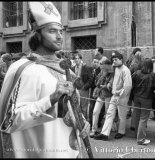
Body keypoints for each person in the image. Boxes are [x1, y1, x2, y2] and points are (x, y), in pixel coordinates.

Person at [0, 2, 90, 158]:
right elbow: (11, 120)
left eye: (60, 31)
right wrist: (52, 98)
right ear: (37, 34)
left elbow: (71, 106)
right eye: (52, 31)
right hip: (40, 151)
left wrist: (81, 120)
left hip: (69, 151)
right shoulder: (23, 69)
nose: (59, 36)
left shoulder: (64, 67)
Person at [94, 51, 132, 141]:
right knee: (109, 114)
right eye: (113, 60)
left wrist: (120, 95)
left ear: (121, 60)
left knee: (121, 115)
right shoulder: (116, 68)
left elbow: (128, 86)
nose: (114, 61)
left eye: (116, 60)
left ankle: (121, 132)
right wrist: (110, 85)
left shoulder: (125, 70)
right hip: (114, 95)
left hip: (121, 97)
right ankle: (104, 134)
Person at [131, 58, 155, 145]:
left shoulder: (137, 73)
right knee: (143, 118)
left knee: (137, 116)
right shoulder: (152, 75)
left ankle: (136, 135)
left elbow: (132, 84)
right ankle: (141, 139)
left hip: (136, 97)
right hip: (147, 98)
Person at [90, 58, 114, 138]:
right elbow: (96, 83)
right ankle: (94, 130)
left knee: (108, 113)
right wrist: (101, 81)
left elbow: (110, 85)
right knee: (95, 112)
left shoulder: (112, 74)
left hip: (108, 96)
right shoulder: (101, 72)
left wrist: (106, 86)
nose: (101, 67)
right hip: (100, 95)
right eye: (101, 65)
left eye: (103, 66)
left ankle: (105, 131)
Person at [71, 52, 93, 120]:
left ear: (80, 59)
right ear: (74, 60)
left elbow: (90, 79)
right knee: (77, 106)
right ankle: (79, 121)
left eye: (78, 58)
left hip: (83, 89)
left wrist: (85, 87)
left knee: (84, 107)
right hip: (75, 89)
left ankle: (85, 122)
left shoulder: (85, 67)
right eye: (75, 58)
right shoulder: (72, 68)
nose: (77, 60)